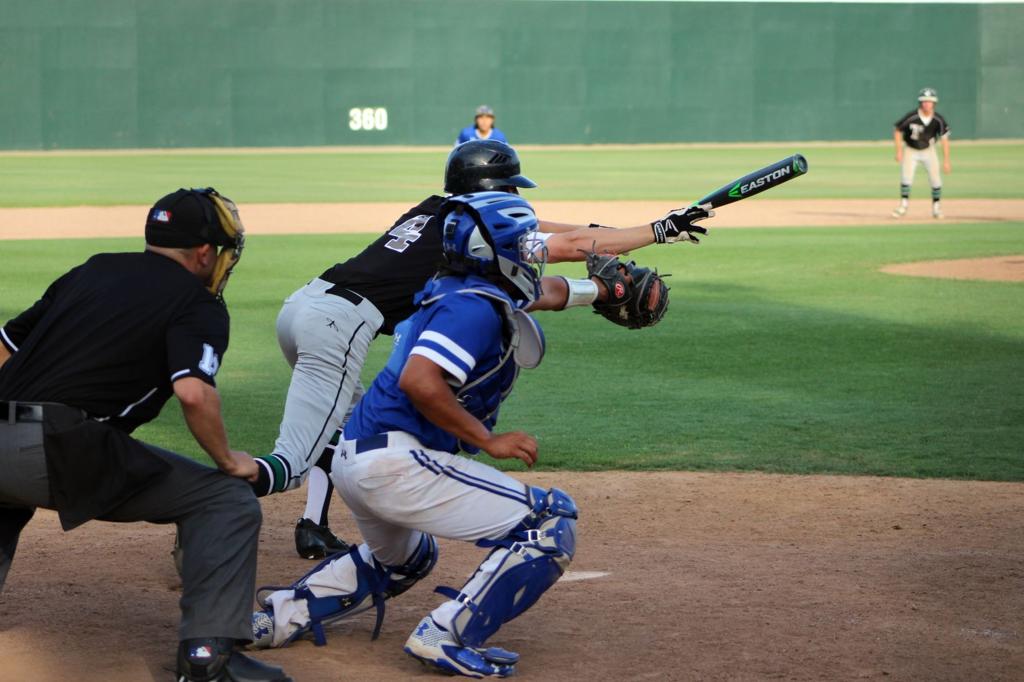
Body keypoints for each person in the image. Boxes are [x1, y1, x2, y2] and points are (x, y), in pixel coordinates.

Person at [255, 139, 712, 560]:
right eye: (511, 186)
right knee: (290, 462)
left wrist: (637, 237)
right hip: (341, 324)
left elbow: (569, 235)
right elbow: (567, 245)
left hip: (305, 306)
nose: (517, 195)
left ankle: (312, 525)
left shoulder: (442, 213)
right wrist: (656, 230)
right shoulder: (478, 231)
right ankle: (209, 505)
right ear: (491, 187)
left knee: (344, 425)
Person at [250, 192, 578, 679]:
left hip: (359, 457)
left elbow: (543, 292)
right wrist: (489, 442)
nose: (531, 254)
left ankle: (277, 617)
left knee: (408, 559)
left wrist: (601, 290)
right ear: (496, 253)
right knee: (549, 522)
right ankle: (445, 634)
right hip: (394, 465)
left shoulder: (454, 287)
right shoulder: (473, 308)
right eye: (523, 246)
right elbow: (419, 381)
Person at [0, 188, 293, 682]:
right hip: (60, 445)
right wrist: (227, 460)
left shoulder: (93, 268)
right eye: (220, 251)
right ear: (204, 253)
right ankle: (207, 660)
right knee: (224, 500)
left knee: (6, 497)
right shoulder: (197, 304)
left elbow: (6, 345)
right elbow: (193, 394)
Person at [892, 87, 951, 219]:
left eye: (929, 101)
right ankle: (903, 206)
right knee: (906, 178)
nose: (926, 104)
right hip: (910, 150)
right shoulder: (912, 116)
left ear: (934, 103)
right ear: (920, 102)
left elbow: (945, 139)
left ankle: (936, 208)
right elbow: (897, 129)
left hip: (928, 150)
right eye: (924, 101)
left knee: (936, 180)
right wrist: (899, 151)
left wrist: (946, 160)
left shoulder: (938, 119)